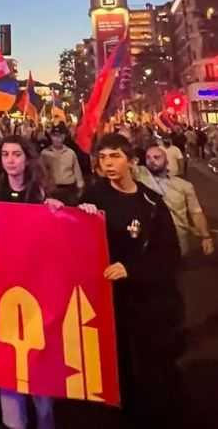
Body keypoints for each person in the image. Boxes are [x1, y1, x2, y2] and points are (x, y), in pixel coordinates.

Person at [80, 134, 183, 428]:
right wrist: (79, 217)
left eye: (115, 156)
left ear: (132, 161)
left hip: (146, 304)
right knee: (115, 367)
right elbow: (68, 236)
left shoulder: (151, 204)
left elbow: (170, 257)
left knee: (152, 370)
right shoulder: (93, 197)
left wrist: (131, 269)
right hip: (106, 302)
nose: (108, 164)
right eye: (103, 158)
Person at [0, 135, 61, 429]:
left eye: (17, 154)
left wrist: (65, 211)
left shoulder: (42, 194)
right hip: (0, 290)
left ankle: (45, 421)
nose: (11, 160)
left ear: (27, 159)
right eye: (5, 155)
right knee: (6, 360)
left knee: (38, 363)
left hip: (37, 292)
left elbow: (64, 234)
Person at [135, 143, 214, 256]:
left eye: (157, 157)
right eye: (148, 157)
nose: (151, 160)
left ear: (167, 161)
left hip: (177, 241)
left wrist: (205, 237)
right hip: (148, 244)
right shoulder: (139, 177)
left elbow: (196, 213)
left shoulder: (184, 186)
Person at [40, 124, 83, 205]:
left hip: (68, 190)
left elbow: (76, 170)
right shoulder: (44, 154)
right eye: (54, 136)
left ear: (64, 137)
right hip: (52, 190)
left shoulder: (70, 153)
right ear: (51, 137)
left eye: (60, 136)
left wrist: (80, 186)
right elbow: (41, 172)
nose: (57, 139)